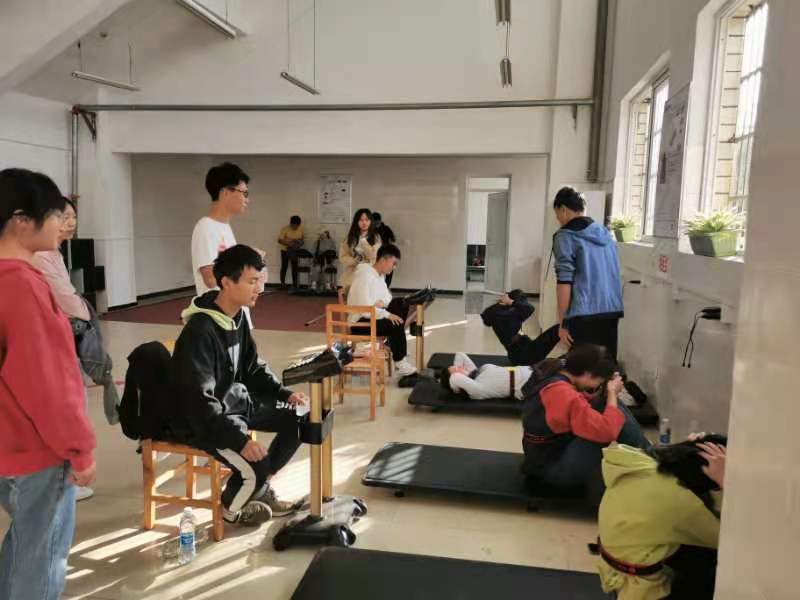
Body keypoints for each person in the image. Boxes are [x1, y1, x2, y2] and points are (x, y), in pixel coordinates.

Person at [0, 168, 96, 600]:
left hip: (8, 443)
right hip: (35, 448)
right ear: (21, 220)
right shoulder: (21, 286)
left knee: (25, 545)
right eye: (56, 214)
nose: (64, 223)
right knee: (41, 558)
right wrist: (79, 449)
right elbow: (47, 383)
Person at [171, 244, 307, 525]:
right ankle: (231, 511)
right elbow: (199, 401)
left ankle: (259, 488)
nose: (259, 288)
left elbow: (252, 367)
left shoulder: (238, 316)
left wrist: (284, 394)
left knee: (301, 417)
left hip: (237, 405)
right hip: (206, 421)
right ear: (226, 282)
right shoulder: (200, 331)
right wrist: (239, 441)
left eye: (260, 280)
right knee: (257, 465)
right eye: (252, 281)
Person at [32, 197, 103, 502]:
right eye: (63, 216)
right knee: (68, 403)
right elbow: (65, 297)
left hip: (63, 333)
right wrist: (86, 315)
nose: (70, 222)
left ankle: (67, 474)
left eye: (73, 216)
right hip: (55, 336)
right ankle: (66, 478)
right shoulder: (40, 256)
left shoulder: (55, 252)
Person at [598, 435, 727, 600]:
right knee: (716, 563)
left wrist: (692, 446)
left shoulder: (644, 465)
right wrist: (725, 483)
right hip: (642, 589)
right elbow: (726, 541)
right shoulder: (681, 502)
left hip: (617, 563)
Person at [520, 344, 649, 506]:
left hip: (540, 458)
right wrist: (612, 394)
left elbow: (568, 406)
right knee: (611, 411)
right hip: (551, 471)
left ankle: (648, 455)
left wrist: (604, 395)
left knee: (608, 406)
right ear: (588, 374)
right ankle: (650, 459)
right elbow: (608, 431)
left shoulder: (554, 370)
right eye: (598, 381)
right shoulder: (563, 393)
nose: (596, 386)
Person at [552, 186, 624, 359]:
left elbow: (564, 281)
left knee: (581, 368)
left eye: (557, 214)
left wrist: (563, 322)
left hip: (583, 314)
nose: (558, 219)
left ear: (563, 209)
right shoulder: (605, 233)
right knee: (605, 364)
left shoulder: (565, 236)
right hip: (611, 310)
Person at [191, 162, 265, 325]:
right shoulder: (206, 227)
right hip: (219, 321)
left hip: (235, 319)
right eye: (244, 193)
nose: (247, 199)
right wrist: (245, 263)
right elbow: (210, 279)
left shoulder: (223, 227)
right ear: (225, 192)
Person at [347, 243, 417, 377]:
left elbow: (387, 300)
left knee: (401, 303)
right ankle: (400, 362)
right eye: (393, 263)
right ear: (384, 259)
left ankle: (393, 344)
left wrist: (381, 306)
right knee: (395, 322)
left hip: (373, 317)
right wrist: (385, 313)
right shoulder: (364, 275)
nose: (394, 267)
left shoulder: (380, 276)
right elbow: (364, 308)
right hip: (359, 323)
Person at [481, 290, 562, 366]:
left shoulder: (500, 312)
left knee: (559, 330)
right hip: (526, 355)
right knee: (559, 328)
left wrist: (501, 303)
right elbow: (530, 308)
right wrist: (510, 302)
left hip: (519, 354)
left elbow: (486, 318)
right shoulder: (511, 314)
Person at [338, 208, 381, 297]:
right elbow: (343, 256)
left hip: (369, 275)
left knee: (367, 300)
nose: (364, 223)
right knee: (351, 300)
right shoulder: (350, 237)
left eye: (367, 220)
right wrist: (354, 261)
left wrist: (363, 241)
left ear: (371, 221)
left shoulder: (376, 237)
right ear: (356, 222)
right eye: (361, 220)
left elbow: (374, 256)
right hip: (352, 274)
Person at [277, 215, 305, 289]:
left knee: (295, 267)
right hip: (285, 250)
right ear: (291, 224)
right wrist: (289, 243)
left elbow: (302, 240)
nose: (295, 227)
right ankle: (282, 284)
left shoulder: (301, 229)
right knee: (284, 267)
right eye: (294, 226)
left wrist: (299, 243)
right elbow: (279, 240)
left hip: (295, 251)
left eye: (297, 226)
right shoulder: (285, 229)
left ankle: (295, 284)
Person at [370, 212, 395, 286]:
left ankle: (386, 287)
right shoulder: (371, 230)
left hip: (387, 252)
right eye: (374, 222)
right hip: (375, 254)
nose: (375, 224)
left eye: (377, 222)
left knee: (389, 271)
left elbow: (392, 239)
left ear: (380, 221)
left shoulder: (386, 228)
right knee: (376, 271)